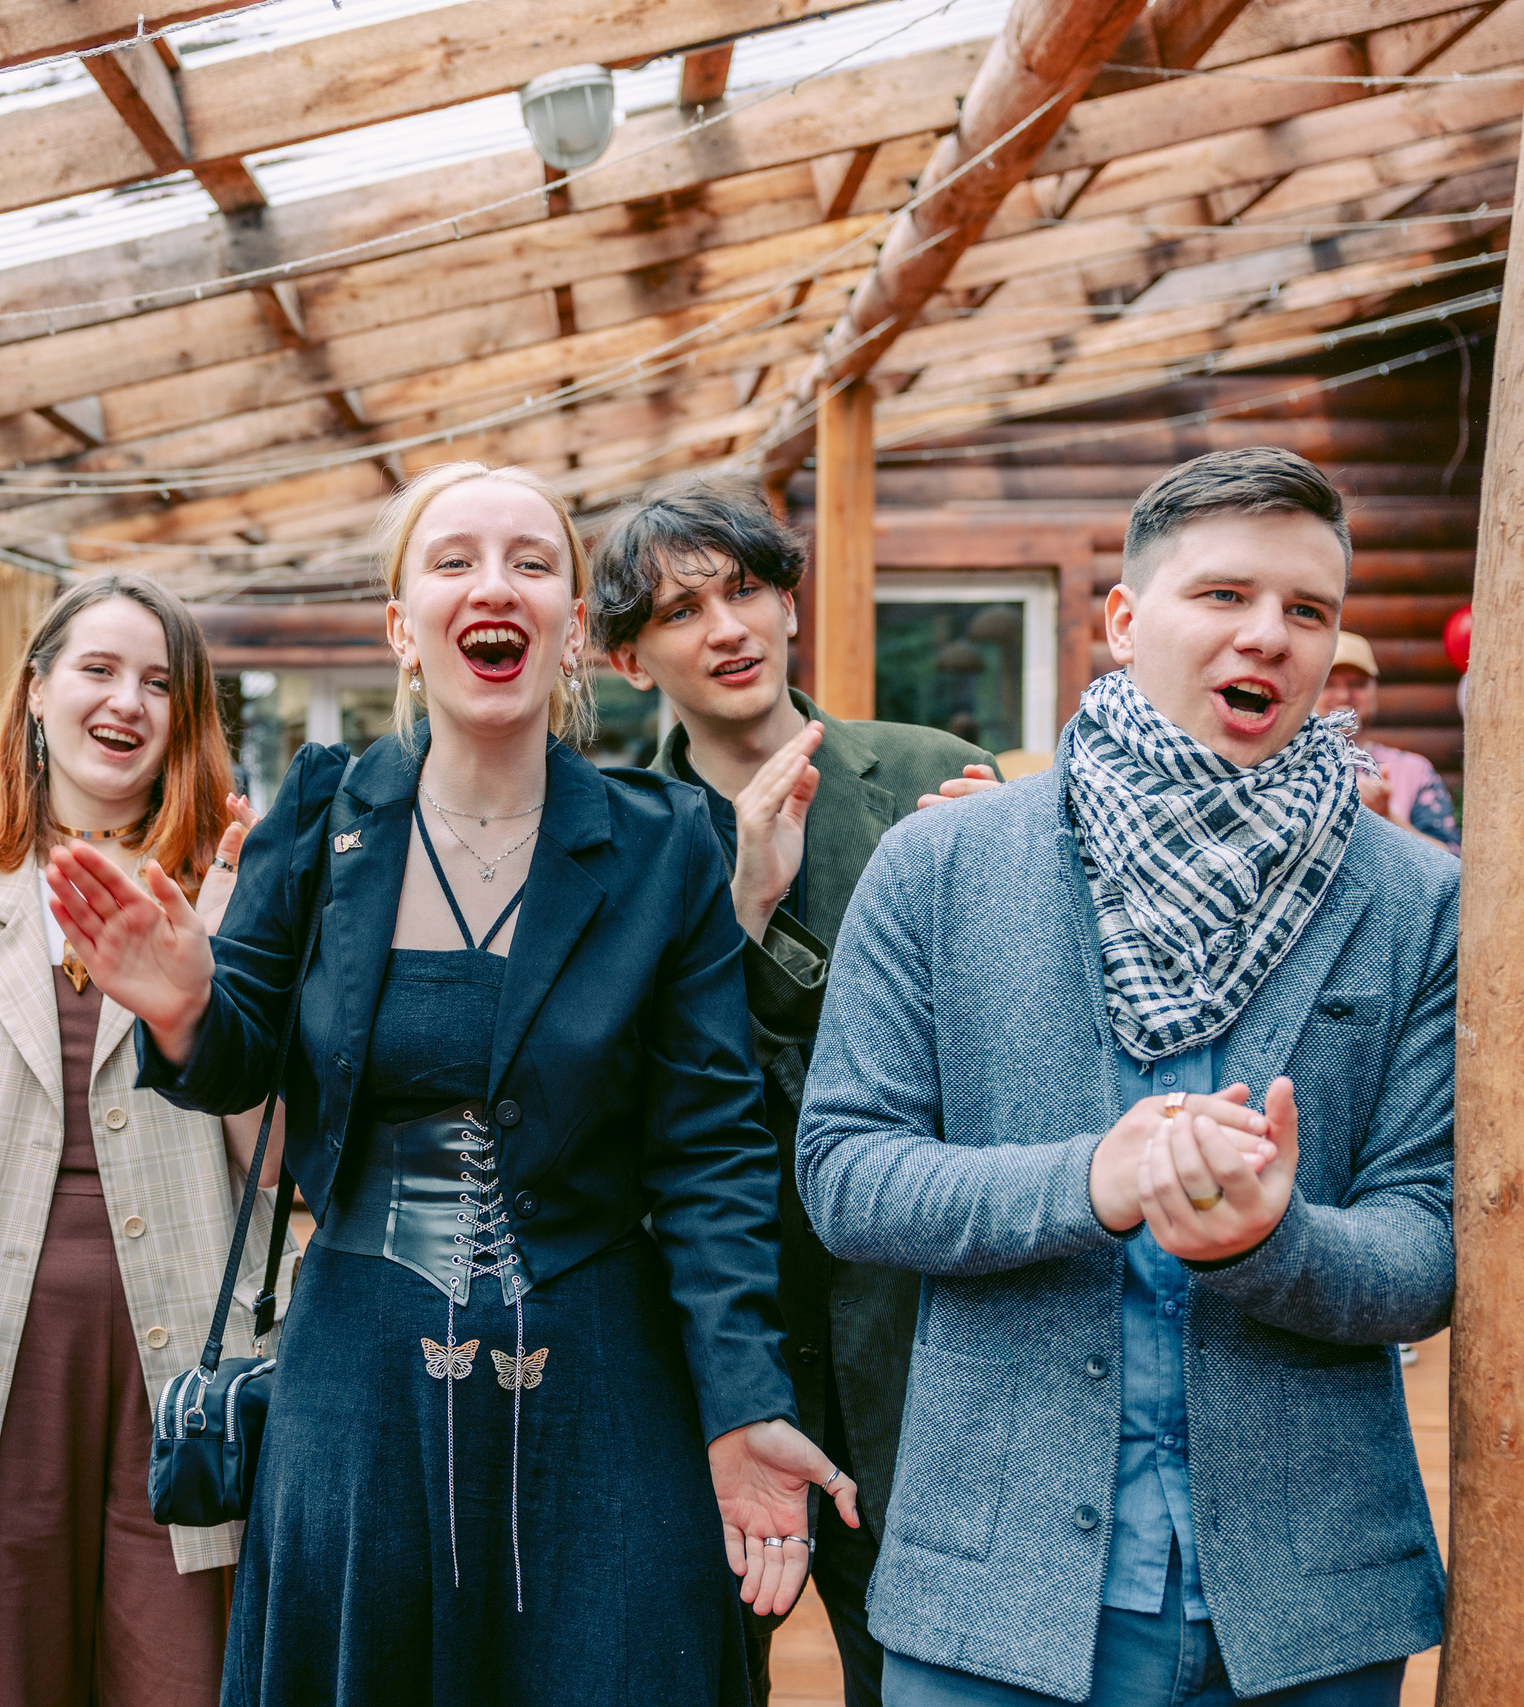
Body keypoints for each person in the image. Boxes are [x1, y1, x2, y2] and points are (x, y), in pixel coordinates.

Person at [48, 461, 855, 1707]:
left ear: (571, 627)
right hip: (357, 1391)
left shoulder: (660, 845)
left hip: (605, 1389)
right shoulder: (322, 818)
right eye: (454, 560)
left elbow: (712, 1152)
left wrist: (742, 1402)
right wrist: (185, 1005)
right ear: (400, 625)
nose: (496, 586)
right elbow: (238, 1054)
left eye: (532, 563)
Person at [796, 448, 1456, 1706]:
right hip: (992, 1594)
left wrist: (1274, 1242)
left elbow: (1426, 1251)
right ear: (1123, 620)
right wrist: (1085, 1182)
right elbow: (844, 1174)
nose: (1267, 635)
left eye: (1307, 609)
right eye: (1223, 595)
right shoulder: (938, 865)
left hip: (1309, 1609)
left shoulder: (1417, 900)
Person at [589, 475, 996, 1707]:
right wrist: (739, 913)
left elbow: (1015, 1053)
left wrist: (1020, 895)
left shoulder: (933, 779)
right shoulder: (609, 839)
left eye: (745, 590)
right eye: (680, 611)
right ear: (627, 659)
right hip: (709, 1352)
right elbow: (611, 1100)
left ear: (787, 605)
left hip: (915, 1339)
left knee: (923, 1679)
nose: (726, 628)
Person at [0, 572, 272, 1707]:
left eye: (159, 683)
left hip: (188, 1367)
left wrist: (211, 990)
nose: (127, 701)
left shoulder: (235, 889)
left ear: (186, 718)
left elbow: (277, 1168)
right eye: (98, 669)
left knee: (184, 1679)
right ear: (36, 691)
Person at [1315, 631, 1459, 853]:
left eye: (1357, 684)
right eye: (1328, 683)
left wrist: (1387, 818)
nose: (1344, 695)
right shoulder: (1284, 766)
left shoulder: (1415, 770)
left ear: (1374, 691)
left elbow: (1451, 862)